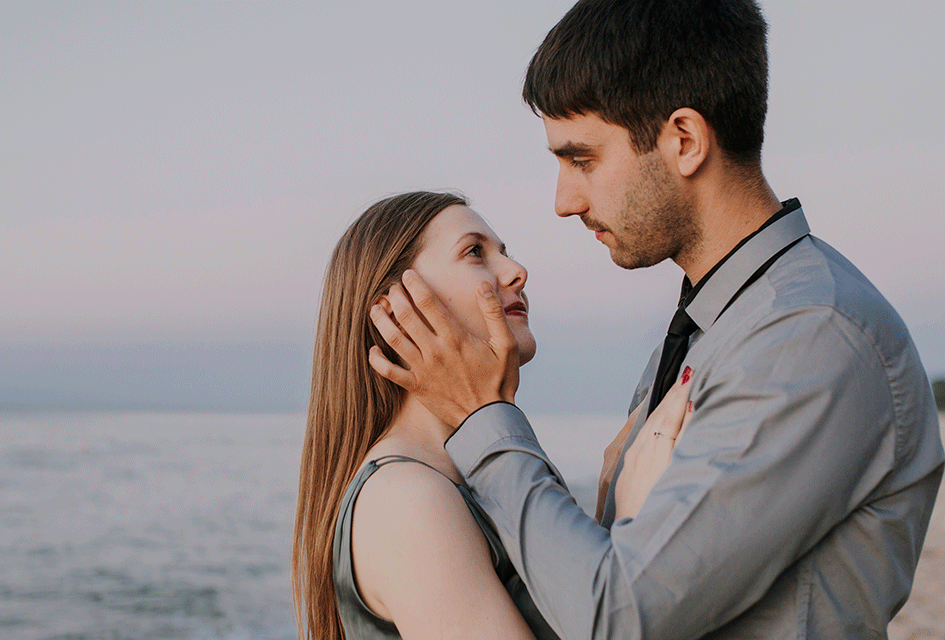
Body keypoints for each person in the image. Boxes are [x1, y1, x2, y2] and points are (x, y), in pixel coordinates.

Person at [367, 2, 945, 639]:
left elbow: (617, 616)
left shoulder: (805, 334)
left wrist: (483, 418)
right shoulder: (716, 326)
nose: (564, 201)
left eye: (582, 160)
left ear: (685, 141)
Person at [291, 190, 694, 640]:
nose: (516, 271)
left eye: (504, 251)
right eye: (474, 253)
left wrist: (608, 507)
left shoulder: (463, 473)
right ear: (397, 309)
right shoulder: (405, 498)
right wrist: (631, 520)